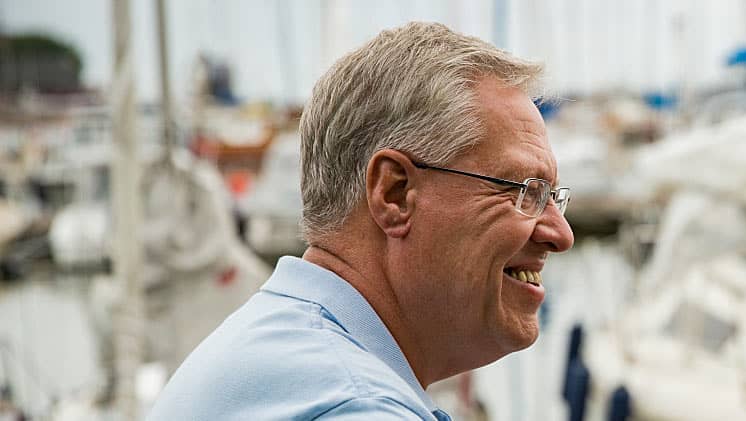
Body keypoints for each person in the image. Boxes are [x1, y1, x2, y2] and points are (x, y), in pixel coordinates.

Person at [148, 22, 574, 420]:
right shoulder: (352, 403)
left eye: (552, 197)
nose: (561, 234)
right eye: (522, 190)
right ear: (393, 193)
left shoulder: (274, 349)